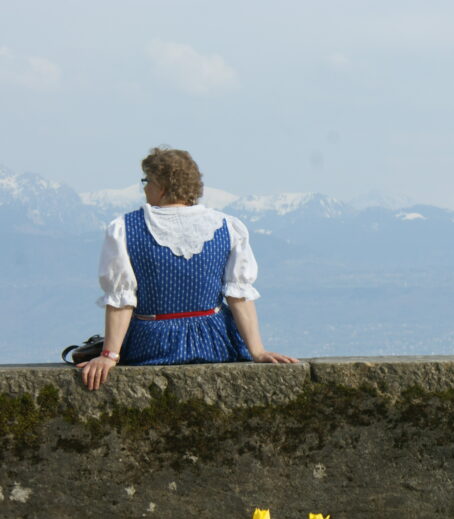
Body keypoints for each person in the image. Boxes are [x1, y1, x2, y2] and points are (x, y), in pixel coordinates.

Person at [78, 147, 297, 390]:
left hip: (152, 345)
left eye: (147, 180)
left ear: (161, 186)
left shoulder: (124, 229)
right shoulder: (227, 226)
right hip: (216, 342)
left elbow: (121, 299)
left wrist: (109, 355)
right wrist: (257, 351)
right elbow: (238, 295)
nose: (144, 187)